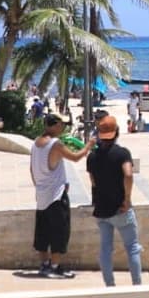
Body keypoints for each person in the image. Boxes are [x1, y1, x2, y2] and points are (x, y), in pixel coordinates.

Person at [30, 113, 94, 278]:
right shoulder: (55, 144)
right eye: (62, 125)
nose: (64, 128)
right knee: (60, 232)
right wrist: (89, 145)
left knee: (43, 232)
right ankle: (55, 266)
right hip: (56, 196)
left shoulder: (36, 143)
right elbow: (75, 157)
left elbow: (32, 169)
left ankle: (44, 265)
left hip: (42, 194)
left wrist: (40, 186)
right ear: (55, 125)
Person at [86, 116, 141, 286]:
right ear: (116, 132)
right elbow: (128, 174)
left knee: (105, 249)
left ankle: (110, 285)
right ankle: (137, 286)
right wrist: (127, 199)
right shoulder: (122, 153)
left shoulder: (92, 156)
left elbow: (93, 181)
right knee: (132, 247)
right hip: (120, 208)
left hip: (101, 209)